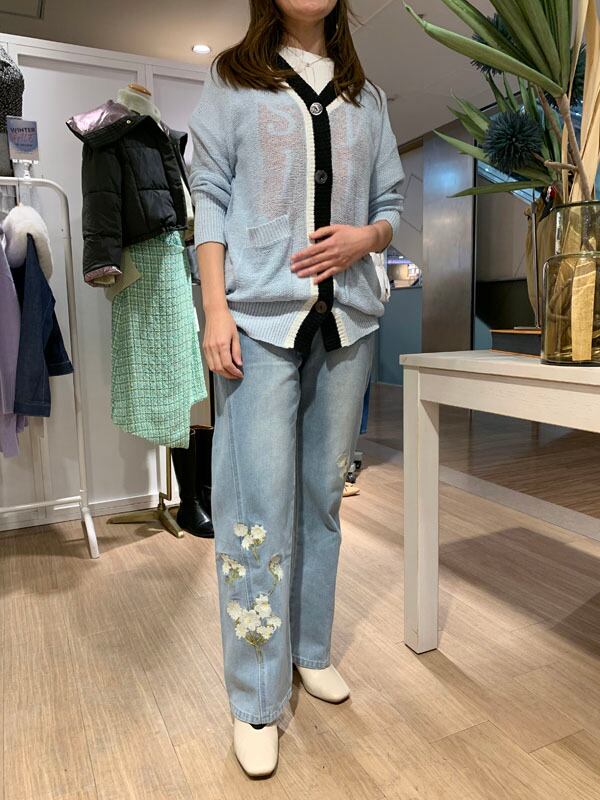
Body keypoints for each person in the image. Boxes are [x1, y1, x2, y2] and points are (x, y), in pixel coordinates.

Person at [189, 0, 404, 777]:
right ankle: (255, 694)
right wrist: (215, 310)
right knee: (255, 509)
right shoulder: (233, 79)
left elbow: (389, 208)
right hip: (256, 321)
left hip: (349, 323)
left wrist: (366, 238)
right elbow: (210, 195)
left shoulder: (366, 96)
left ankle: (310, 650)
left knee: (321, 499)